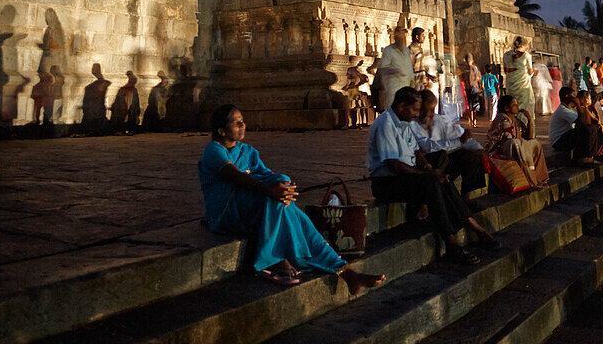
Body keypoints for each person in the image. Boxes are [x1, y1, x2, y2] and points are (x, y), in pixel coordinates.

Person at [199, 104, 385, 294]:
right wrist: (270, 190)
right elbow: (236, 176)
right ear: (222, 131)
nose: (243, 125)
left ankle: (345, 271)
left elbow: (264, 174)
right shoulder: (213, 151)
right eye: (237, 123)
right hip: (226, 213)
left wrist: (284, 186)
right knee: (277, 203)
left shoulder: (246, 150)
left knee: (294, 213)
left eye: (243, 121)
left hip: (252, 208)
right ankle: (274, 260)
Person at [367, 86, 498, 262]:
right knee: (432, 181)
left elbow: (417, 152)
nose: (416, 114)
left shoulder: (404, 122)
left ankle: (474, 227)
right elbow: (395, 166)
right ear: (401, 106)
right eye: (413, 109)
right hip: (386, 182)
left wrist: (429, 168)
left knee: (440, 179)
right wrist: (426, 174)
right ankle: (451, 242)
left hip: (406, 174)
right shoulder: (385, 124)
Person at [411, 89, 486, 199]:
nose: (431, 114)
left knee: (473, 155)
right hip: (427, 164)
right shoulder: (412, 124)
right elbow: (427, 147)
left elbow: (457, 135)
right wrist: (459, 141)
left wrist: (478, 148)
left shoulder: (437, 119)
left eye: (433, 109)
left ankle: (467, 197)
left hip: (443, 161)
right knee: (440, 155)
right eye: (428, 110)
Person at [485, 94, 549, 187]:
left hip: (516, 147)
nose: (517, 106)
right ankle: (530, 181)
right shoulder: (501, 118)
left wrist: (529, 120)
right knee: (516, 143)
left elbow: (529, 137)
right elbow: (508, 137)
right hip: (500, 150)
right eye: (514, 104)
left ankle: (540, 178)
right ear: (507, 108)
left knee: (534, 143)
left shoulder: (516, 120)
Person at [549, 86, 600, 163]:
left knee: (593, 128)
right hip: (558, 141)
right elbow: (581, 121)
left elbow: (592, 121)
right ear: (567, 97)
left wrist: (590, 107)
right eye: (574, 96)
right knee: (586, 129)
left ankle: (591, 156)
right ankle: (584, 158)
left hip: (566, 136)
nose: (576, 97)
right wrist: (579, 105)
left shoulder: (571, 109)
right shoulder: (562, 110)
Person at [376, 17, 416, 110]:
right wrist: (394, 71)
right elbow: (382, 69)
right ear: (395, 35)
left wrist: (412, 83)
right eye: (400, 34)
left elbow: (409, 68)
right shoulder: (389, 50)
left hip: (405, 88)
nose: (402, 36)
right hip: (392, 88)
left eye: (403, 34)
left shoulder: (406, 50)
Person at [502, 37, 535, 117]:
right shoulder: (526, 55)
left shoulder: (506, 55)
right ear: (523, 45)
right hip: (523, 86)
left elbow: (506, 70)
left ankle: (513, 125)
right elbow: (530, 72)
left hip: (510, 85)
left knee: (512, 105)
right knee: (524, 107)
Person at [411, 28, 441, 100]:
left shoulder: (419, 49)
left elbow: (421, 68)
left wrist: (429, 76)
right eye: (423, 36)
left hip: (421, 81)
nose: (424, 38)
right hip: (415, 81)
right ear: (417, 37)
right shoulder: (411, 50)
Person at [461, 53, 482, 126]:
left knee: (470, 104)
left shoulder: (464, 69)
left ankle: (471, 120)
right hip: (474, 87)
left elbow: (463, 78)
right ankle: (474, 121)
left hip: (467, 87)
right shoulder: (474, 68)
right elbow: (477, 78)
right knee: (475, 104)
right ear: (472, 60)